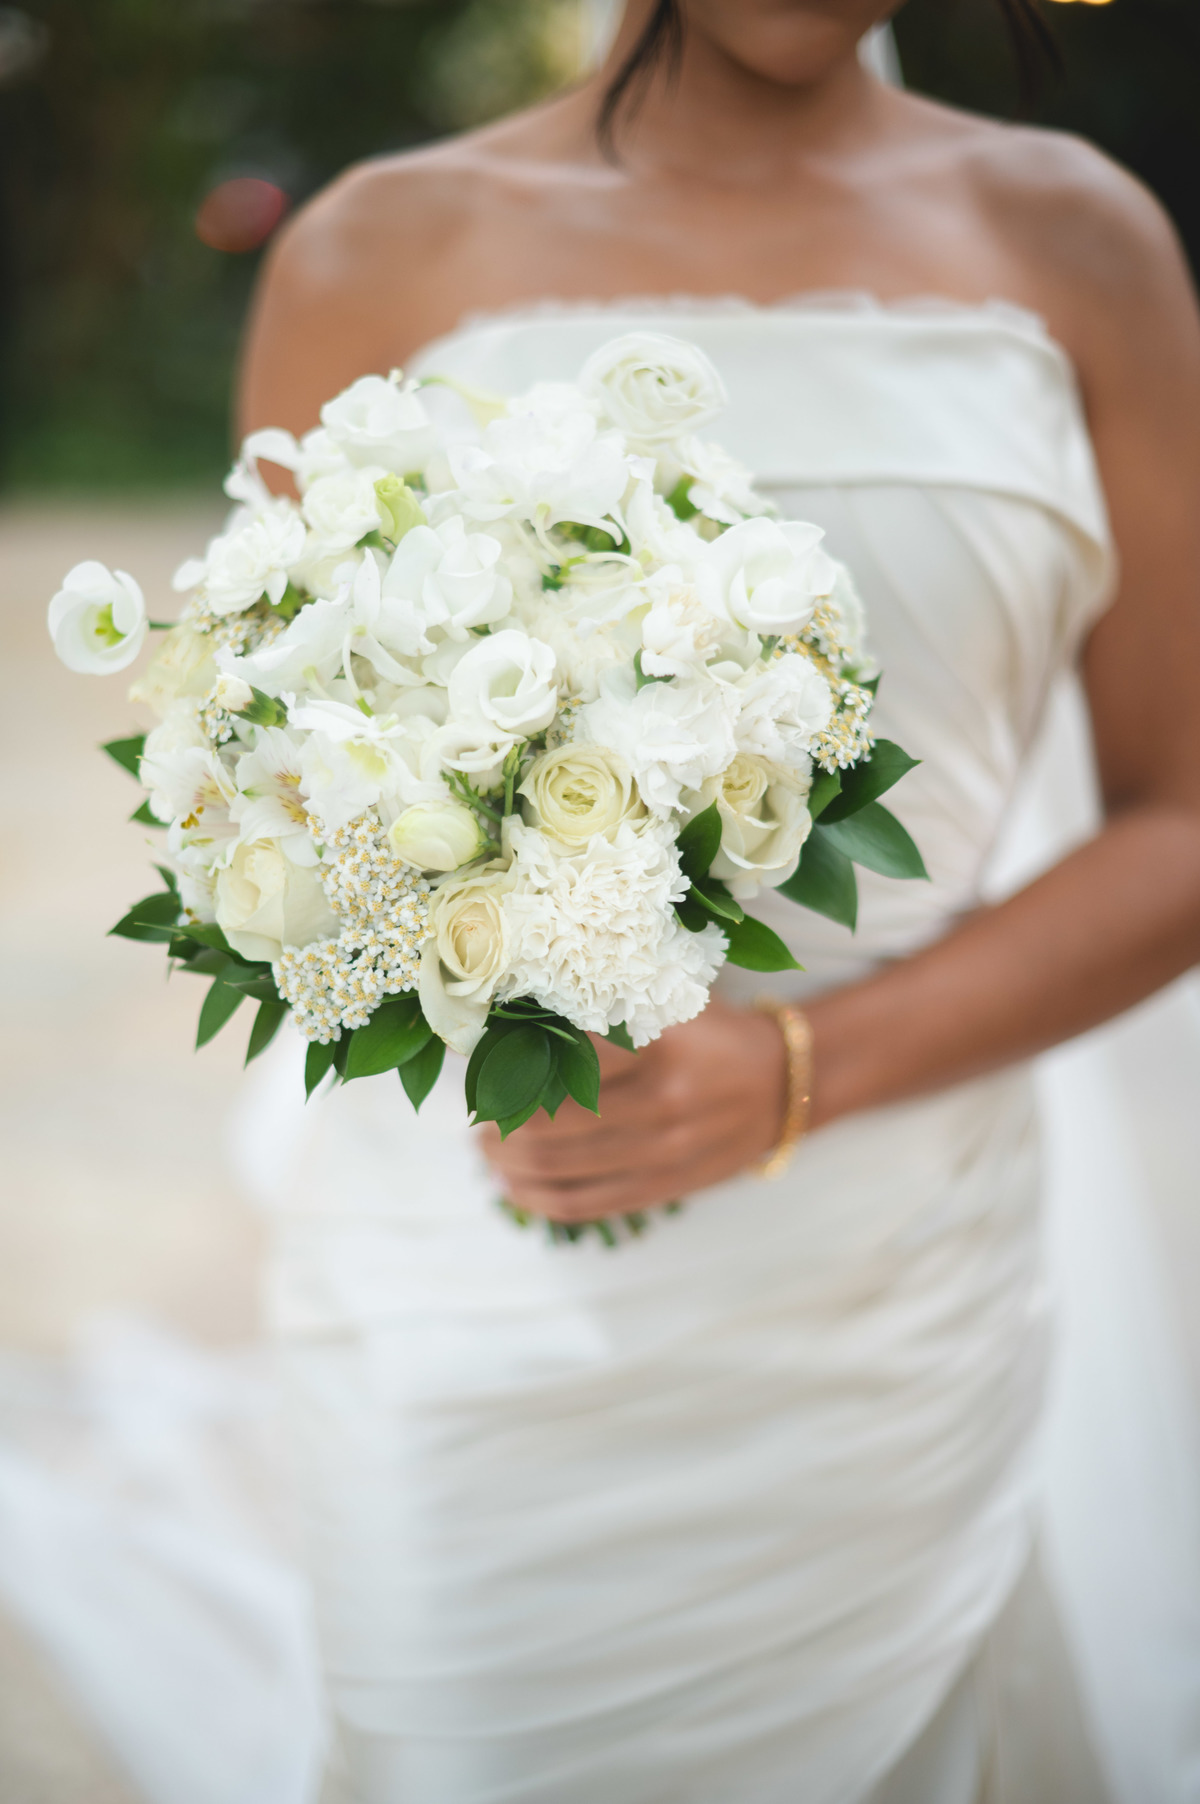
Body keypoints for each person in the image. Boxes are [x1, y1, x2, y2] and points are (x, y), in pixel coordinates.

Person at [237, 3, 1200, 1798]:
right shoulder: (377, 248)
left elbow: (1185, 816)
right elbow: (281, 778)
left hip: (888, 1298)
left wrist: (799, 1065)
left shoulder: (1081, 244)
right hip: (485, 1281)